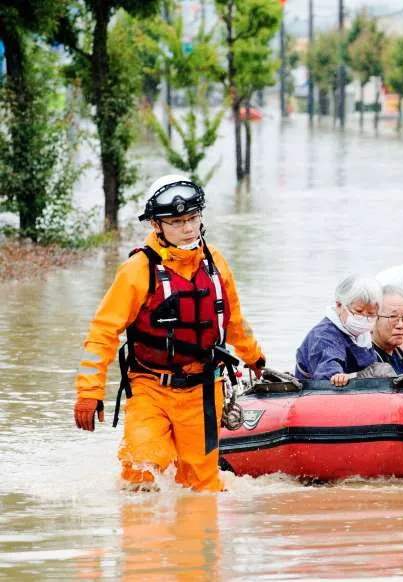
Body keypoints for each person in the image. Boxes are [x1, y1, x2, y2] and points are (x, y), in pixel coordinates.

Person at [73, 174, 266, 492]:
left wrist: (255, 358)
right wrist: (89, 392)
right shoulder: (138, 270)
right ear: (155, 225)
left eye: (193, 218)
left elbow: (233, 322)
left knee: (202, 489)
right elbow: (103, 332)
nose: (188, 228)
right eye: (177, 221)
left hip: (204, 389)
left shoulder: (216, 265)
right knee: (142, 469)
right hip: (151, 387)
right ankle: (142, 539)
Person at [295, 274, 382, 387]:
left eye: (371, 314)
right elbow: (327, 375)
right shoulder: (323, 336)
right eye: (358, 311)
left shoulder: (362, 336)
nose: (364, 319)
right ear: (339, 305)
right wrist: (341, 377)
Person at [371, 285, 403, 375]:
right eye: (393, 317)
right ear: (373, 318)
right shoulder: (367, 358)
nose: (401, 325)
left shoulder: (398, 353)